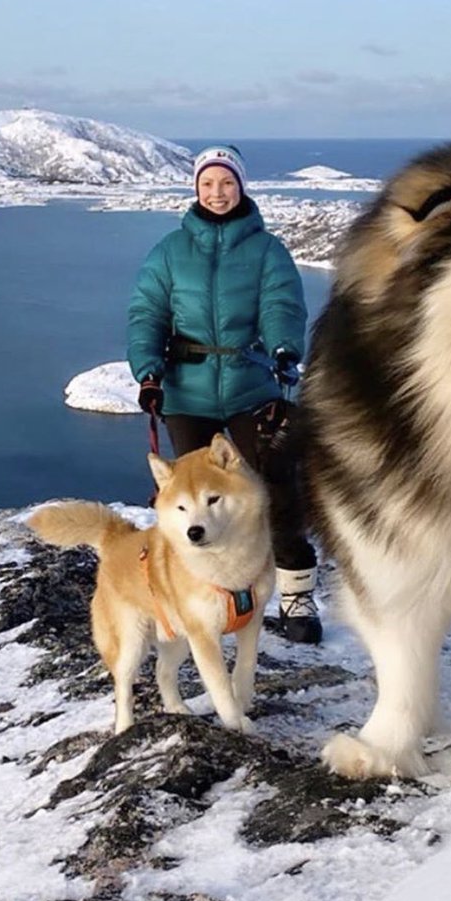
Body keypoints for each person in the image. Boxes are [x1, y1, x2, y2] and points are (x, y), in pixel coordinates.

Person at [127, 144, 322, 644]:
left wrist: (283, 348)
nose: (218, 192)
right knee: (193, 501)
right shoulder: (170, 252)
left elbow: (282, 304)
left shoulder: (267, 250)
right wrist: (147, 371)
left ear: (241, 187)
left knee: (276, 486)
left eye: (227, 183)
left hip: (250, 385)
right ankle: (205, 595)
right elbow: (147, 313)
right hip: (186, 390)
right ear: (196, 188)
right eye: (208, 183)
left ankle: (297, 597)